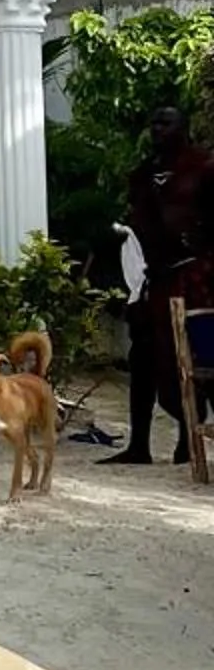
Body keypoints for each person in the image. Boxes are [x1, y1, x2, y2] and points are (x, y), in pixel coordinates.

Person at [106, 105, 214, 464]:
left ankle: (188, 439)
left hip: (191, 275)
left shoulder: (203, 168)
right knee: (142, 357)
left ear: (183, 126)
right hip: (150, 277)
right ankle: (139, 445)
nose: (157, 128)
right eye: (153, 121)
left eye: (165, 122)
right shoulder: (144, 174)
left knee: (183, 357)